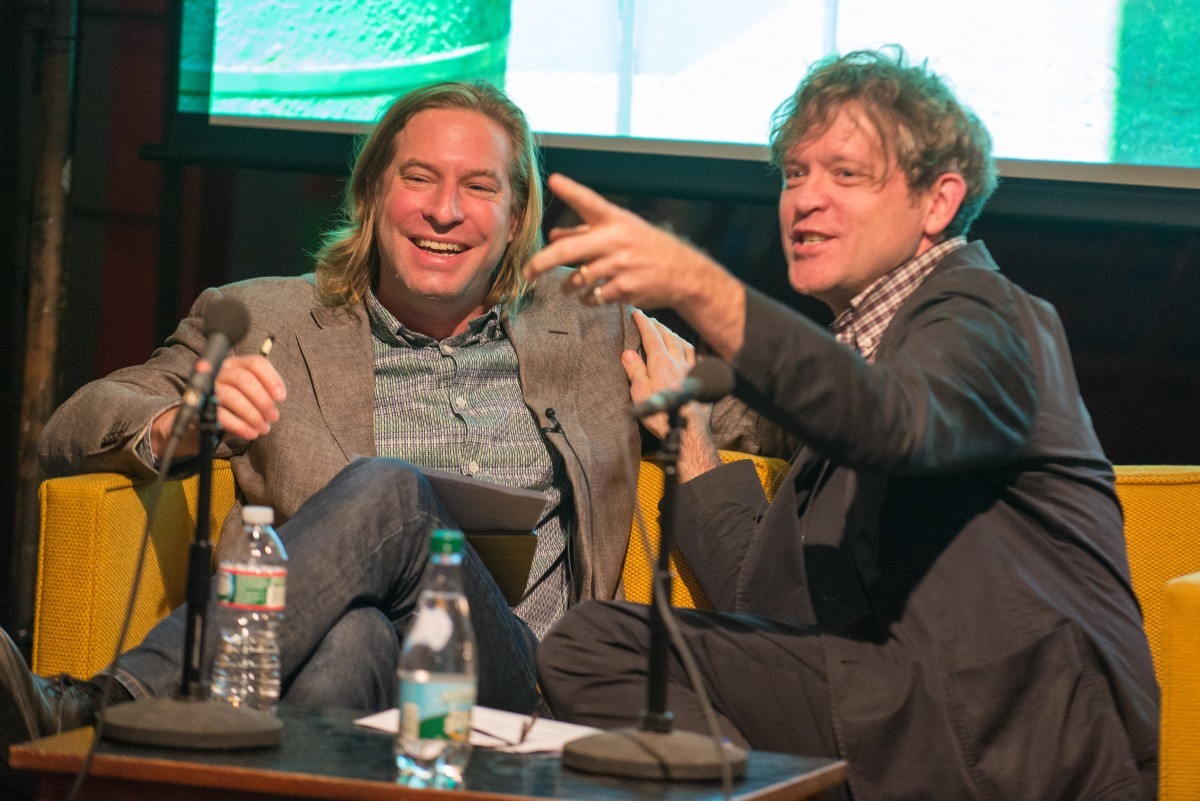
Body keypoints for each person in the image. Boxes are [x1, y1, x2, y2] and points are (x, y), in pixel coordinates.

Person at [0, 79, 781, 791]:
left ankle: (107, 704)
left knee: (393, 492)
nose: (445, 211)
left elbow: (778, 420)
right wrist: (181, 421)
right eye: (419, 179)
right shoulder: (259, 318)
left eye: (479, 188)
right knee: (352, 640)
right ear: (374, 194)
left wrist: (707, 410)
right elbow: (73, 427)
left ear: (515, 219)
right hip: (339, 666)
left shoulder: (595, 331)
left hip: (519, 687)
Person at [525, 49, 1159, 800]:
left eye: (846, 174)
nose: (805, 200)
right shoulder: (855, 365)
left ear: (937, 202)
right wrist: (692, 444)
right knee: (597, 645)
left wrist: (697, 284)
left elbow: (890, 420)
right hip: (884, 713)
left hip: (1011, 743)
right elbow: (767, 613)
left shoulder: (991, 318)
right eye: (795, 174)